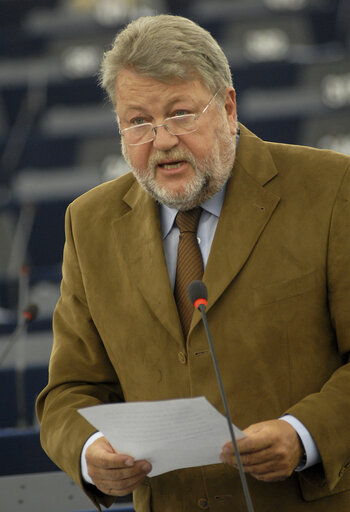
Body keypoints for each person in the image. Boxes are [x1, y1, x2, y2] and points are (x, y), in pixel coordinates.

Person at [36, 14, 350, 512]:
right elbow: (69, 391)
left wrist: (303, 434)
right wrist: (90, 450)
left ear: (227, 107)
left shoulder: (331, 189)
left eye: (180, 113)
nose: (161, 140)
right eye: (138, 121)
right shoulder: (89, 223)